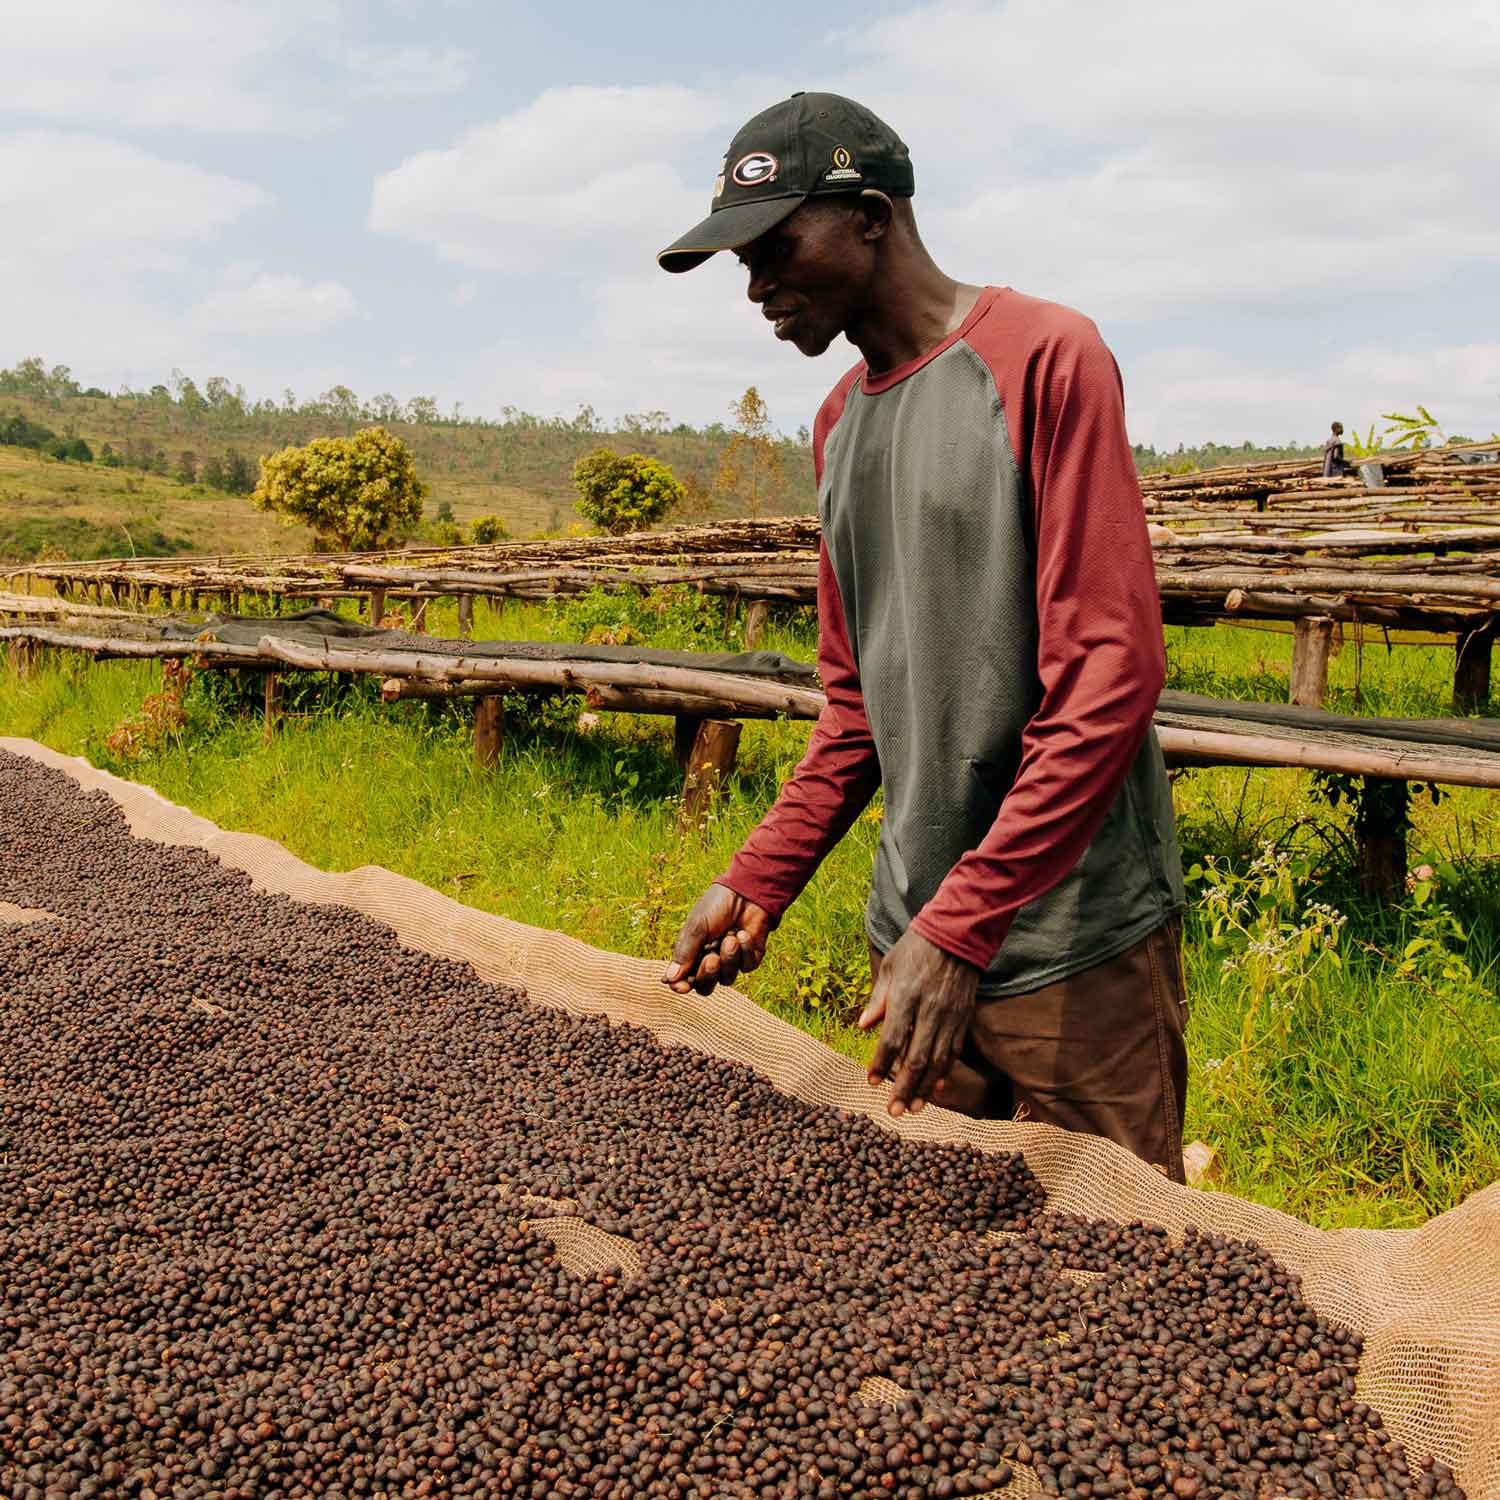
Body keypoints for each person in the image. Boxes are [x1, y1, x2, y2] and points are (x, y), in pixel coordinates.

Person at [656, 92, 1188, 1180]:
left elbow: (1109, 679)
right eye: (739, 264)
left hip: (1067, 942)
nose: (755, 288)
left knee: (1137, 1273)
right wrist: (761, 876)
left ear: (872, 216)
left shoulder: (1047, 357)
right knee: (951, 1280)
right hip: (914, 943)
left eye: (774, 247)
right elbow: (856, 705)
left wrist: (967, 923)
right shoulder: (840, 422)